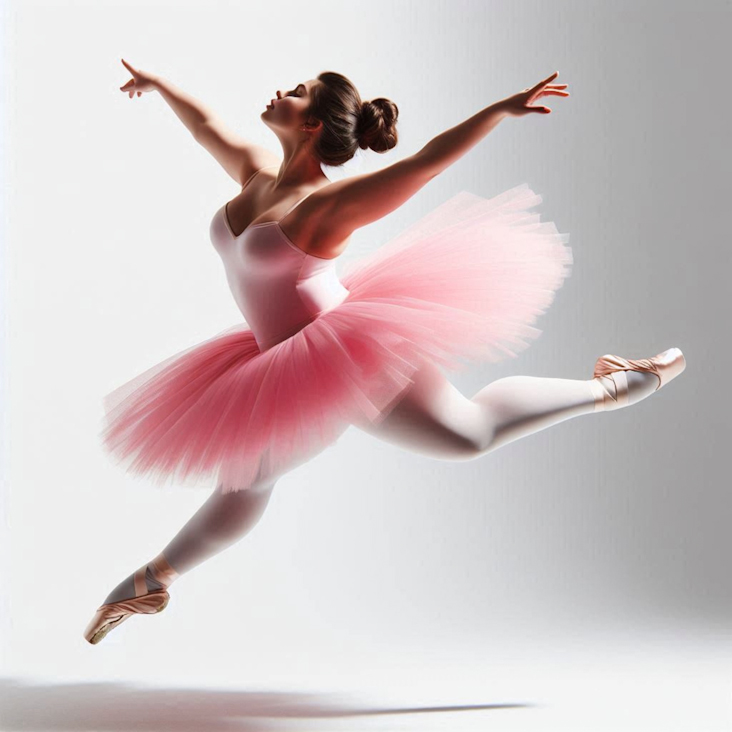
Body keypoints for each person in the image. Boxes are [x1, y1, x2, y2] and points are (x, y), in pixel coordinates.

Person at [83, 61, 686, 644]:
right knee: (248, 478)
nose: (280, 92)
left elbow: (425, 164)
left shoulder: (327, 206)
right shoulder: (255, 175)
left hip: (346, 351)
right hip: (274, 360)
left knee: (467, 434)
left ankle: (615, 386)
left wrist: (498, 111)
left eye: (296, 91)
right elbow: (206, 126)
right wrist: (161, 86)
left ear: (313, 123)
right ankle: (151, 582)